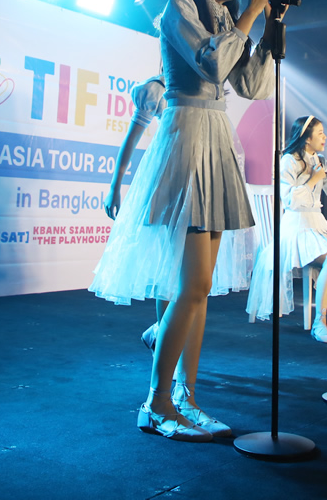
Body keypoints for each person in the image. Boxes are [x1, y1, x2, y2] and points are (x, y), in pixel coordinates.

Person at [89, 0, 282, 443]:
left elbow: (253, 85)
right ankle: (155, 404)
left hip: (215, 141)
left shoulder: (228, 19)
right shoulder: (180, 7)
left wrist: (269, 26)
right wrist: (251, 15)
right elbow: (211, 65)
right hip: (187, 138)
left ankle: (186, 398)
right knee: (191, 286)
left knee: (198, 289)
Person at [105, 72, 255, 351]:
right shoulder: (156, 90)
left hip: (205, 179)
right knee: (171, 267)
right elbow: (132, 137)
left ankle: (163, 338)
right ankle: (162, 338)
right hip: (173, 179)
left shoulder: (209, 85)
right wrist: (115, 185)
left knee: (194, 276)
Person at [245, 116, 327, 343]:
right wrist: (312, 179)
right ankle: (319, 323)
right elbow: (289, 200)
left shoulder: (320, 160)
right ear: (306, 137)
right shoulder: (289, 160)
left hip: (317, 224)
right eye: (320, 133)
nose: (325, 137)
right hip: (296, 226)